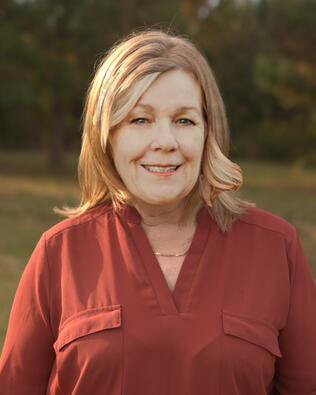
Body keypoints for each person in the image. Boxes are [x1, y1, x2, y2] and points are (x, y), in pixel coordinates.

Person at [0, 28, 315, 395]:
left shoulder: (276, 248)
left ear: (208, 134)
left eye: (184, 120)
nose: (164, 142)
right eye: (140, 120)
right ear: (107, 135)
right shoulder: (59, 253)